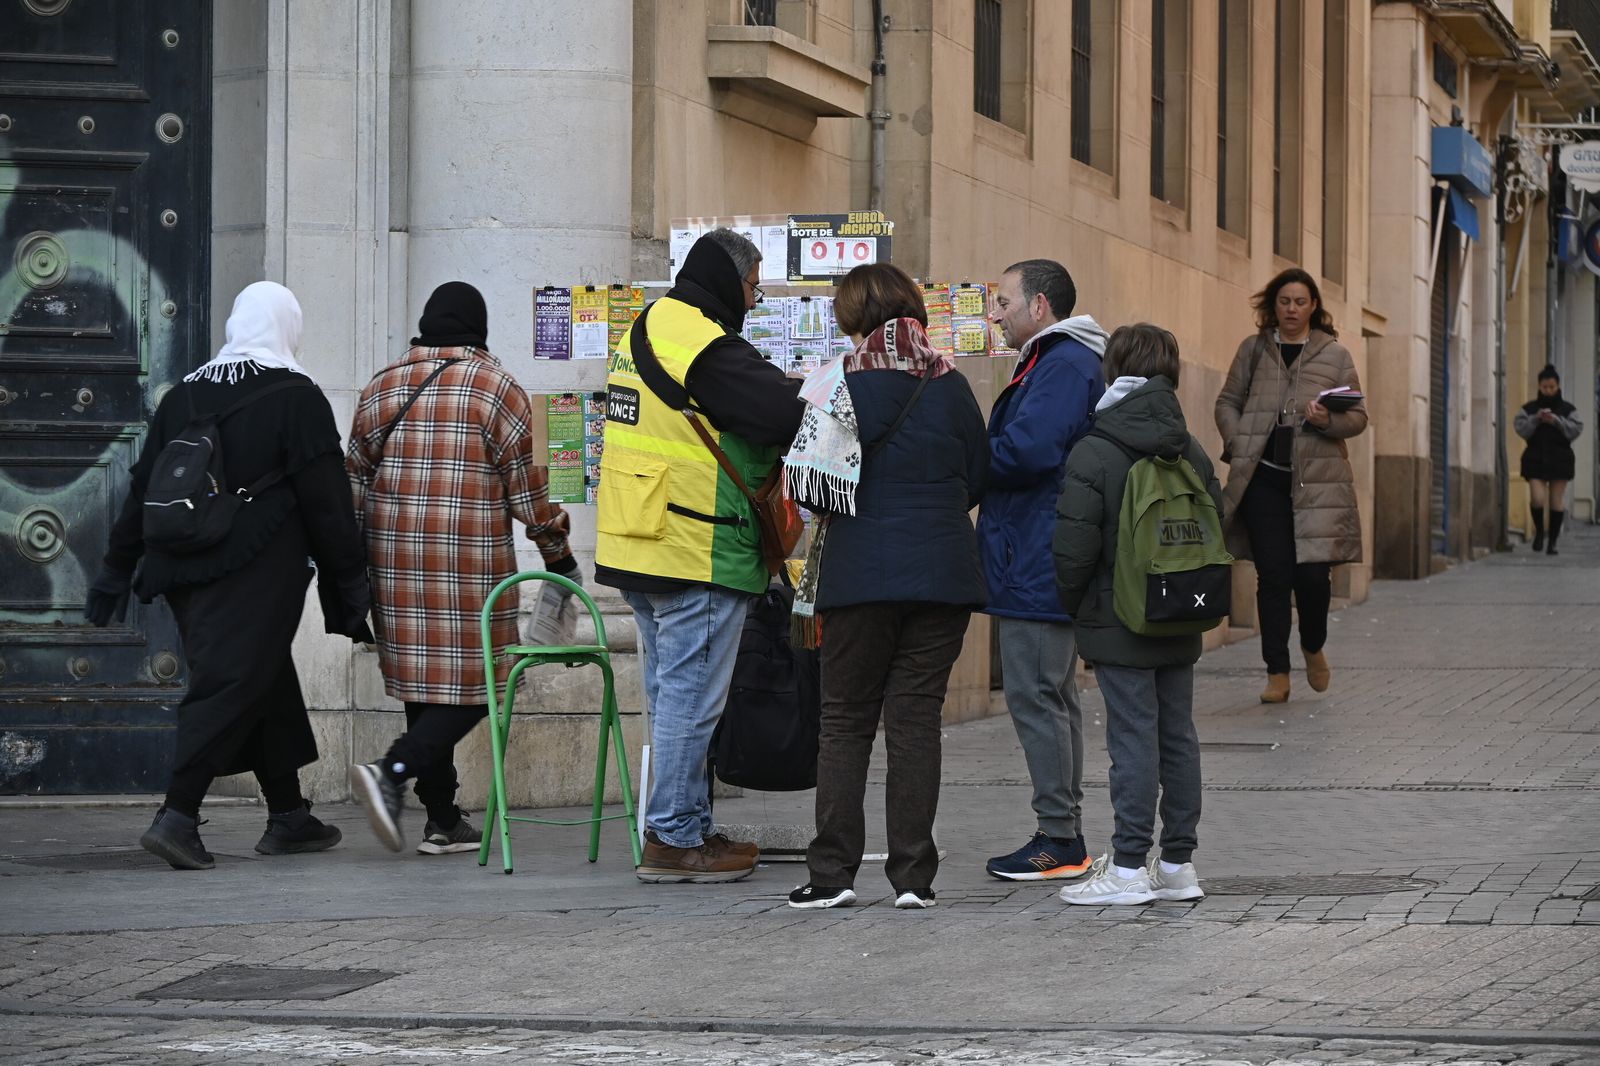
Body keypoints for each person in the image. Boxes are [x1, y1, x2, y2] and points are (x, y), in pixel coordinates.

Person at [85, 281, 370, 870]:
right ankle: (178, 817)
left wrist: (116, 568)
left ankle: (289, 816)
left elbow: (145, 487)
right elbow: (327, 503)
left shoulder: (183, 394)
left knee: (259, 676)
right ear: (287, 327)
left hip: (183, 569)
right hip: (258, 569)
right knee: (230, 684)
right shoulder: (297, 396)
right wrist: (351, 585)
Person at [596, 228, 805, 883]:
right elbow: (779, 412)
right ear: (727, 279)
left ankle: (681, 822)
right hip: (695, 544)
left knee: (670, 695)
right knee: (690, 698)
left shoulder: (652, 322)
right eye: (752, 285)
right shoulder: (699, 339)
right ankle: (674, 838)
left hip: (642, 538)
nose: (756, 296)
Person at [782, 264, 988, 910]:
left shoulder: (835, 382)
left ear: (850, 318)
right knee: (915, 720)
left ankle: (832, 875)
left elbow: (805, 483)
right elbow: (978, 475)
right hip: (942, 575)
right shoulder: (951, 385)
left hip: (859, 576)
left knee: (844, 721)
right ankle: (913, 879)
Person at [346, 281, 578, 855]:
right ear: (479, 328)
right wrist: (559, 556)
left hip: (393, 562)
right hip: (467, 564)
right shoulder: (497, 389)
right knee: (480, 687)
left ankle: (442, 819)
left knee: (426, 687)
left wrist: (349, 562)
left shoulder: (381, 386)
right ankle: (393, 773)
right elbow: (530, 497)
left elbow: (350, 481)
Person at [1053, 324, 1217, 906]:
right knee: (1178, 736)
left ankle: (1126, 869)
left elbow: (1072, 550)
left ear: (1114, 370)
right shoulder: (1189, 448)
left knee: (1132, 739)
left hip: (1117, 615)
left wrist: (1080, 614)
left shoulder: (1096, 449)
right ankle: (1177, 865)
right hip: (1179, 611)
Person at [977, 259, 1108, 882]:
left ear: (1041, 307)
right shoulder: (1055, 361)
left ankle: (1059, 837)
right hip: (1033, 551)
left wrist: (963, 460)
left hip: (1037, 555)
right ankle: (1064, 831)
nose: (995, 314)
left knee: (1036, 693)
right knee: (1049, 694)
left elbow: (1028, 450)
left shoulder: (1063, 364)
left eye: (1004, 302)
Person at [1215, 268, 1366, 704]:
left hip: (1318, 483)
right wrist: (1238, 438)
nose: (1292, 310)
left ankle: (1313, 644)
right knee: (1274, 576)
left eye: (1300, 302)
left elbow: (1357, 417)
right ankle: (1276, 671)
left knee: (1314, 577)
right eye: (1284, 302)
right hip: (1263, 479)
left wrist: (1327, 420)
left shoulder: (1334, 355)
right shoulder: (1254, 350)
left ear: (1313, 306)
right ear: (1273, 306)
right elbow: (1227, 402)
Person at [1516, 364, 1584, 556]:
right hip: (1535, 458)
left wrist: (1556, 421)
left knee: (1556, 499)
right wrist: (1536, 419)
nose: (1548, 391)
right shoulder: (1529, 408)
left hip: (1560, 458)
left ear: (1558, 386)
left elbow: (1576, 429)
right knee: (1537, 498)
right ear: (1539, 387)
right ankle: (1539, 532)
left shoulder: (1568, 409)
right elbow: (1520, 429)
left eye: (1552, 387)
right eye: (1545, 387)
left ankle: (1552, 541)